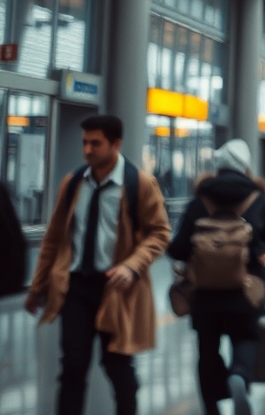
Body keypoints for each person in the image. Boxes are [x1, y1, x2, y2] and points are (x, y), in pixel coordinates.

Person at [26, 115, 172, 415]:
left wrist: (132, 266)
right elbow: (54, 239)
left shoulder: (139, 184)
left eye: (96, 143)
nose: (88, 150)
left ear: (116, 144)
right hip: (76, 286)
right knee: (73, 366)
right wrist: (37, 286)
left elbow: (160, 232)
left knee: (118, 366)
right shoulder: (73, 183)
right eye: (84, 143)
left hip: (116, 287)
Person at [167, 140, 265, 415]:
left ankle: (213, 407)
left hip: (204, 291)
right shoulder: (258, 199)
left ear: (218, 168)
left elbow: (179, 247)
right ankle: (239, 376)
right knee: (246, 337)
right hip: (246, 288)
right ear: (244, 167)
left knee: (207, 348)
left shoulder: (201, 200)